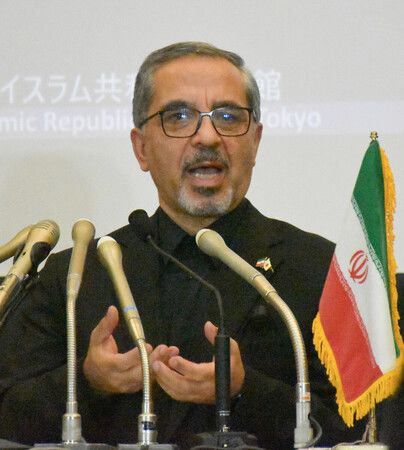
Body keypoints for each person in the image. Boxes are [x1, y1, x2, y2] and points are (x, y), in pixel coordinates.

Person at [0, 42, 365, 449]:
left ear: (255, 142)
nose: (207, 136)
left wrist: (246, 390)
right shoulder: (77, 278)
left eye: (228, 117)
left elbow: (364, 428)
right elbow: (8, 416)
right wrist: (87, 383)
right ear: (141, 148)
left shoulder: (320, 270)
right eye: (179, 117)